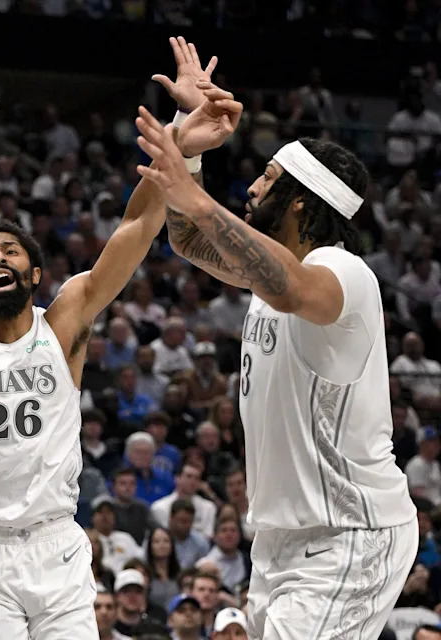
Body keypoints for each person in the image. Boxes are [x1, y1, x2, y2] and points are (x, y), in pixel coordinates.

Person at [0, 40, 200, 638]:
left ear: (35, 275)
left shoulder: (63, 321)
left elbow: (137, 225)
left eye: (11, 250)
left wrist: (182, 132)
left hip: (57, 543)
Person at [135, 36, 418, 639]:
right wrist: (188, 142)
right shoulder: (268, 273)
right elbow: (188, 242)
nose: (252, 188)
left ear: (298, 203)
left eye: (267, 179)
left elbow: (291, 287)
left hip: (348, 533)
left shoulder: (346, 275)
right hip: (282, 540)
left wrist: (198, 201)